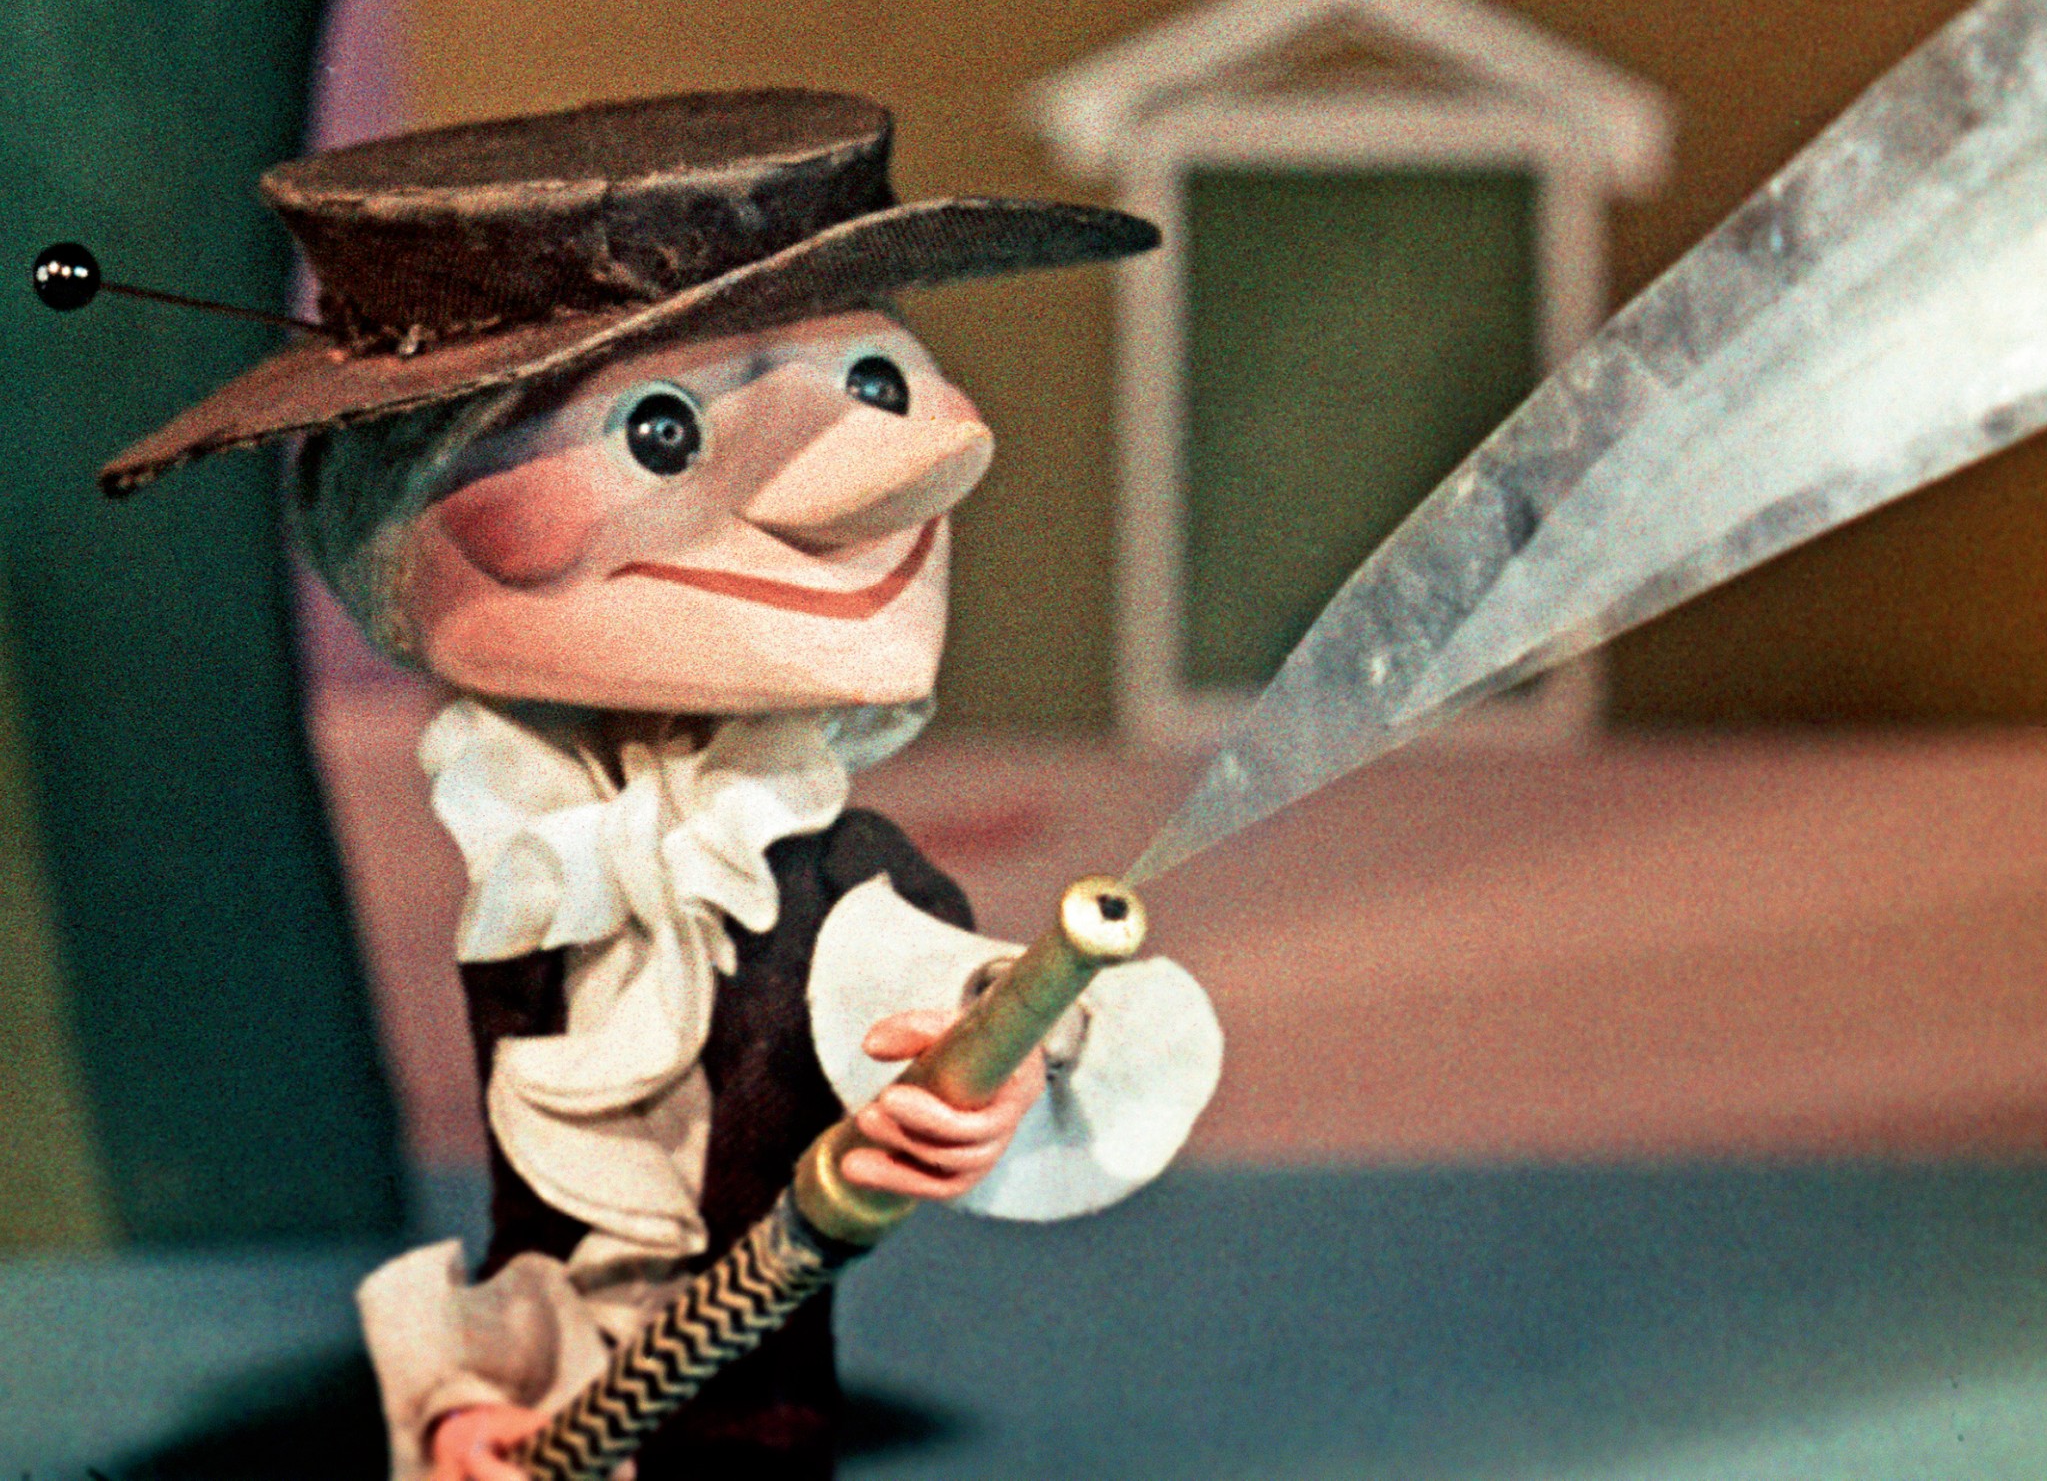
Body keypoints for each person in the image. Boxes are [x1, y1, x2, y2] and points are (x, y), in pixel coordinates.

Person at [99, 90, 1223, 1481]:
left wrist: (1008, 1047)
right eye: (664, 433)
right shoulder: (537, 841)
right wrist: (470, 1398)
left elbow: (933, 979)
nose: (895, 469)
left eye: (878, 382)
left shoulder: (808, 868)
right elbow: (540, 1224)